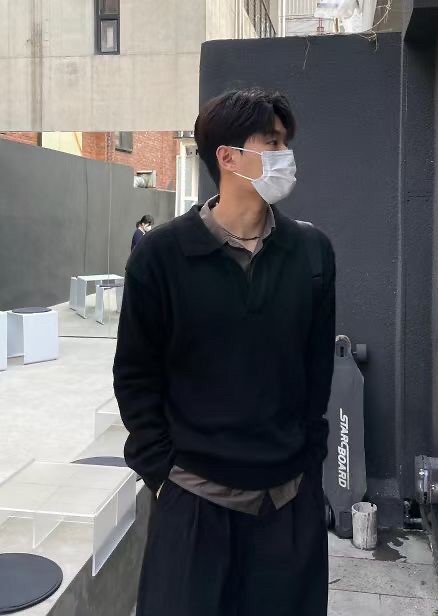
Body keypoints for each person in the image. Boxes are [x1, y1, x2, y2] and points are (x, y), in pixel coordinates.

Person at [113, 87, 336, 616]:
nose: (285, 155)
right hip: (193, 506)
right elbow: (136, 376)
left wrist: (309, 468)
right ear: (228, 157)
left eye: (285, 143)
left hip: (288, 506)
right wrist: (162, 476)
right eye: (272, 142)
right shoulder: (161, 257)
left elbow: (317, 373)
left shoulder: (312, 253)